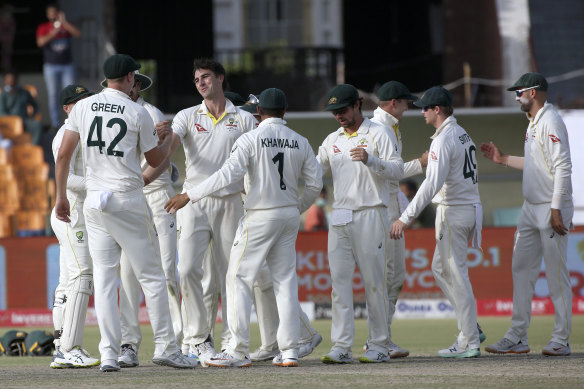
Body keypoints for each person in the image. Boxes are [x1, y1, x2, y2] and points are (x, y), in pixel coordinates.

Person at [54, 54, 196, 372]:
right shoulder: (138, 111)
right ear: (131, 78)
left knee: (105, 280)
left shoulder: (83, 107)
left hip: (94, 200)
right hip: (127, 199)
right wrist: (169, 142)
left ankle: (108, 354)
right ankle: (166, 347)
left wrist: (60, 196)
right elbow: (155, 159)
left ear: (106, 79)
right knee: (152, 276)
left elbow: (63, 155)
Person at [164, 87, 322, 368]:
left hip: (259, 215)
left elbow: (227, 174)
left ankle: (236, 350)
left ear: (258, 112)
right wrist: (296, 207)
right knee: (285, 281)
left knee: (237, 278)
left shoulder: (251, 138)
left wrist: (190, 194)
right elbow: (315, 184)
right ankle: (289, 351)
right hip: (287, 216)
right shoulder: (301, 141)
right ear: (284, 112)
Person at [159, 58, 257, 365]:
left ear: (220, 78)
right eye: (197, 79)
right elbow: (172, 144)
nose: (201, 83)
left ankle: (231, 341)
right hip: (193, 202)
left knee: (232, 276)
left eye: (206, 77)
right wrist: (157, 145)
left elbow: (255, 160)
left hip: (230, 202)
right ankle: (199, 339)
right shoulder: (188, 116)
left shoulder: (243, 119)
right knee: (187, 269)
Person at [481, 73, 573, 356]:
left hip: (550, 206)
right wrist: (502, 159)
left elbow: (563, 166)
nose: (516, 96)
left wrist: (556, 208)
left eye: (519, 92)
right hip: (530, 206)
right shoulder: (533, 123)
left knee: (556, 275)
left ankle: (561, 339)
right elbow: (535, 165)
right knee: (521, 270)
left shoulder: (551, 120)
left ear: (533, 93)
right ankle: (518, 336)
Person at [97, 72, 184, 367]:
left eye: (133, 84)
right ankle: (129, 344)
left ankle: (179, 340)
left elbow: (163, 161)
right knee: (128, 275)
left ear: (137, 86)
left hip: (155, 196)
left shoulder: (149, 113)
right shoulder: (111, 110)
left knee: (165, 270)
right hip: (130, 198)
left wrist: (140, 184)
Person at [390, 86, 482, 358]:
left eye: (425, 108)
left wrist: (404, 218)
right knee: (440, 269)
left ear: (437, 109)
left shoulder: (444, 140)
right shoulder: (461, 133)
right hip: (464, 208)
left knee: (457, 275)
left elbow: (431, 184)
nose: (421, 112)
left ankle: (471, 339)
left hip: (454, 211)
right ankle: (470, 327)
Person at [318, 84, 403, 364]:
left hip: (371, 212)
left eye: (343, 110)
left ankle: (379, 345)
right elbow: (314, 170)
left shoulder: (379, 132)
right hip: (340, 215)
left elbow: (397, 169)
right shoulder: (332, 139)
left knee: (373, 282)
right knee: (339, 283)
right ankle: (341, 346)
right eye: (335, 112)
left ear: (357, 105)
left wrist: (371, 160)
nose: (339, 116)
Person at [369, 80, 428, 358]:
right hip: (384, 209)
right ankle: (379, 340)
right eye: (405, 103)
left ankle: (382, 338)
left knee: (393, 277)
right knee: (389, 277)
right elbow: (389, 172)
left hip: (392, 205)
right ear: (394, 103)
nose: (408, 107)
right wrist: (421, 163)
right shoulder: (380, 129)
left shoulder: (390, 127)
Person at [49, 84, 99, 369]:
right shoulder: (63, 136)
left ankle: (60, 346)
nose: (87, 105)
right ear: (67, 108)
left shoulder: (86, 131)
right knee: (82, 275)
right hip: (71, 212)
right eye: (81, 102)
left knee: (68, 280)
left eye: (89, 100)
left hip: (74, 211)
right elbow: (64, 177)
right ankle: (70, 347)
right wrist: (100, 185)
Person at [36, 4, 80, 129]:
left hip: (67, 65)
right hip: (51, 66)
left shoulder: (66, 25)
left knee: (71, 94)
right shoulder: (44, 27)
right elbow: (40, 42)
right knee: (53, 94)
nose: (53, 15)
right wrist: (54, 31)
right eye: (50, 13)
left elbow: (78, 34)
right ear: (47, 15)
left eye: (55, 12)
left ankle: (73, 122)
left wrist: (64, 23)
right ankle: (55, 124)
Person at [0, 71, 43, 144]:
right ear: (5, 80)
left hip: (24, 121)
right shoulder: (3, 95)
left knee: (37, 125)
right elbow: (2, 112)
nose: (11, 80)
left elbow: (36, 105)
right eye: (9, 78)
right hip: (9, 124)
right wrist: (14, 121)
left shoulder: (24, 93)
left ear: (16, 79)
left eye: (13, 78)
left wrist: (33, 115)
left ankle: (33, 148)